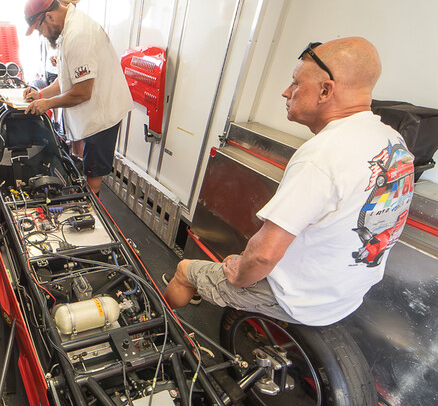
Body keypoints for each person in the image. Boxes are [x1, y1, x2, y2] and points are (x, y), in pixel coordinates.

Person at [164, 37, 415, 326]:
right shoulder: (392, 141)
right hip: (346, 295)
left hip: (298, 298)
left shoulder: (323, 155)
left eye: (296, 83)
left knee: (185, 270)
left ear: (325, 90)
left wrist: (237, 273)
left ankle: (157, 331)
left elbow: (262, 257)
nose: (286, 92)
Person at [22, 0, 133, 195]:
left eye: (40, 28)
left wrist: (47, 104)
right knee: (87, 163)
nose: (41, 34)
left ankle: (94, 210)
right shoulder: (67, 29)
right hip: (93, 109)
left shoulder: (79, 35)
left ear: (49, 16)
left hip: (102, 113)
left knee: (94, 173)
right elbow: (66, 79)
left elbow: (82, 92)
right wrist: (41, 95)